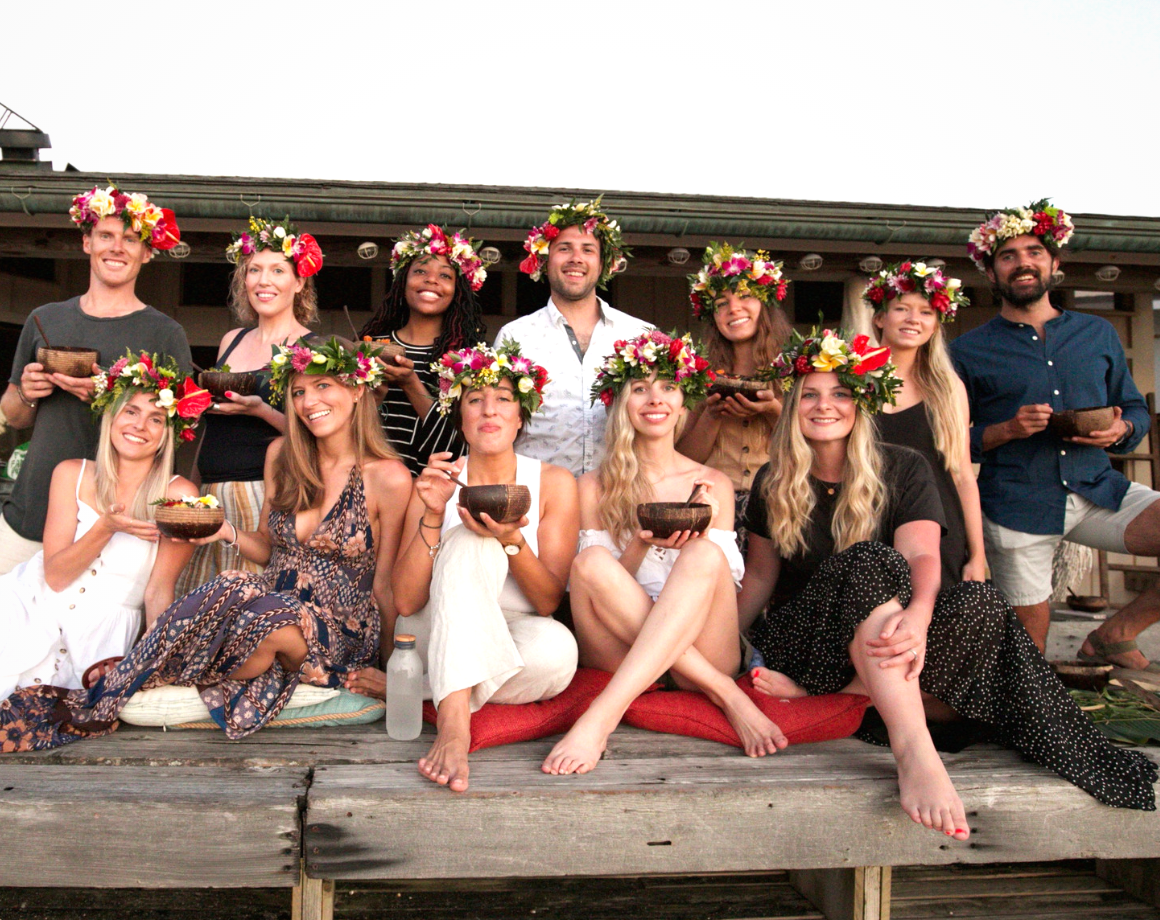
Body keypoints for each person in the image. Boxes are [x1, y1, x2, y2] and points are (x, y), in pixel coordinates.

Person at [736, 328, 1156, 842]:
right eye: (810, 395)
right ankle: (915, 751)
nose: (826, 406)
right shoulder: (773, 479)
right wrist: (727, 648)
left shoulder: (904, 466)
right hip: (811, 641)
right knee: (868, 560)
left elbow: (922, 555)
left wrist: (920, 615)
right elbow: (758, 577)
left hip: (889, 647)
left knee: (980, 599)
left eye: (840, 392)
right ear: (793, 406)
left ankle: (850, 701)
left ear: (862, 401)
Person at [0, 338, 412, 750]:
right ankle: (147, 670)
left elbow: (386, 586)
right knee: (234, 583)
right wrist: (224, 532)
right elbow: (271, 550)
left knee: (266, 615)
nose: (308, 401)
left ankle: (137, 674)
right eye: (299, 391)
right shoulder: (281, 456)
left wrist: (394, 673)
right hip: (268, 608)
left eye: (323, 386)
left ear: (358, 389)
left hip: (338, 629)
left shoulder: (387, 477)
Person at [542, 331, 785, 777]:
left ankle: (601, 715)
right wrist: (640, 543)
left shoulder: (713, 483)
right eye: (640, 388)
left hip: (702, 642)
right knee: (590, 562)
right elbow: (596, 586)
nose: (655, 399)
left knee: (705, 556)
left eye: (668, 387)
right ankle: (726, 693)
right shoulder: (593, 485)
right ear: (621, 403)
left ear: (683, 402)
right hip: (618, 641)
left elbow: (722, 586)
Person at [347, 340, 578, 792]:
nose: (489, 410)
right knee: (472, 540)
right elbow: (408, 600)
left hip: (513, 628)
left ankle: (421, 689)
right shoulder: (435, 480)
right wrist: (433, 513)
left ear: (520, 416)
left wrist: (512, 540)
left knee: (559, 655)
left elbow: (548, 601)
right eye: (475, 400)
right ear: (460, 416)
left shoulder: (553, 483)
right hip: (437, 624)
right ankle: (454, 727)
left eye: (504, 399)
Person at [950, 200, 1160, 669]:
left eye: (1034, 252)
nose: (1023, 262)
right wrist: (1005, 430)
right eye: (1008, 255)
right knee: (1030, 648)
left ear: (1054, 264)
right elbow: (945, 440)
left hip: (1097, 489)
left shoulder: (1097, 333)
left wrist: (1123, 429)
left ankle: (1115, 633)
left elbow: (1133, 407)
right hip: (1016, 503)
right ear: (991, 272)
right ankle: (1031, 712)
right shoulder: (966, 351)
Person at [0, 184, 191, 573]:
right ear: (87, 242)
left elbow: (184, 425)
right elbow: (14, 415)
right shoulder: (44, 319)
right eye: (106, 235)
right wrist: (28, 393)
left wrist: (115, 397)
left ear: (147, 252)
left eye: (131, 239)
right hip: (29, 514)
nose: (117, 247)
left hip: (116, 525)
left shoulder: (166, 334)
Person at [0, 352, 209, 697]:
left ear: (167, 434)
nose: (139, 426)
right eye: (130, 411)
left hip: (100, 643)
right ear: (111, 417)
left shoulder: (179, 495)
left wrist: (155, 666)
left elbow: (158, 591)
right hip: (29, 610)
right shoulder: (72, 474)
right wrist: (106, 527)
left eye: (156, 419)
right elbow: (55, 577)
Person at [176, 216, 321, 594]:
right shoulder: (231, 340)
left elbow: (318, 434)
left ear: (299, 281)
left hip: (264, 494)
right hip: (212, 488)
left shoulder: (311, 348)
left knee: (247, 609)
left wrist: (261, 410)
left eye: (277, 270)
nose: (263, 280)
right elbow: (215, 423)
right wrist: (194, 485)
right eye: (254, 269)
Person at [494, 198, 651, 475]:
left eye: (587, 250)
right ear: (545, 260)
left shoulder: (641, 336)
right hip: (537, 497)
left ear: (603, 264)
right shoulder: (515, 336)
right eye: (564, 248)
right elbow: (498, 419)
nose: (575, 258)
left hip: (617, 497)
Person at [864, 260, 984, 586]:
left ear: (936, 324)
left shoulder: (948, 389)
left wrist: (978, 555)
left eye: (926, 311)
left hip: (939, 530)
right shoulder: (853, 382)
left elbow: (961, 476)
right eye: (902, 308)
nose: (914, 319)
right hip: (865, 524)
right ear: (879, 318)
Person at [678, 242, 792, 549]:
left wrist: (771, 411)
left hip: (779, 504)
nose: (734, 309)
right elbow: (685, 460)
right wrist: (711, 415)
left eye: (744, 296)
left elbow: (810, 447)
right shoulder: (698, 375)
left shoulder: (793, 369)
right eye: (721, 304)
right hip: (716, 508)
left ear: (765, 304)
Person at [359, 225, 488, 476]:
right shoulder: (372, 345)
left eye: (445, 275)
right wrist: (371, 400)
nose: (431, 280)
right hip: (370, 484)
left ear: (458, 290)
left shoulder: (468, 360)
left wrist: (410, 383)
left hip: (431, 490)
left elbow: (457, 447)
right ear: (402, 281)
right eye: (420, 271)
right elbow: (343, 427)